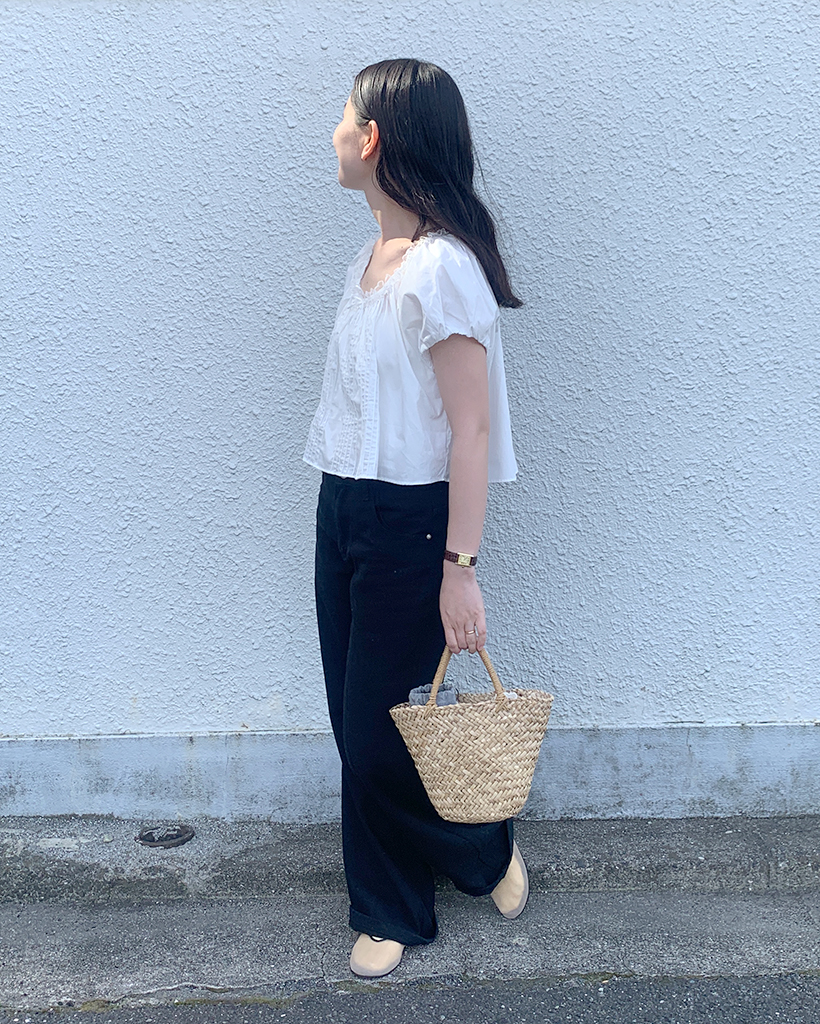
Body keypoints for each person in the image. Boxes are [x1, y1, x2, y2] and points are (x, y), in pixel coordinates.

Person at [303, 58, 528, 978]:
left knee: (378, 731)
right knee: (353, 720)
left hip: (412, 520)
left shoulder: (442, 270)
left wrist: (459, 567)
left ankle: (445, 874)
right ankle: (440, 871)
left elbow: (471, 429)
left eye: (342, 117)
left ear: (374, 138)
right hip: (342, 502)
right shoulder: (369, 261)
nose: (332, 133)